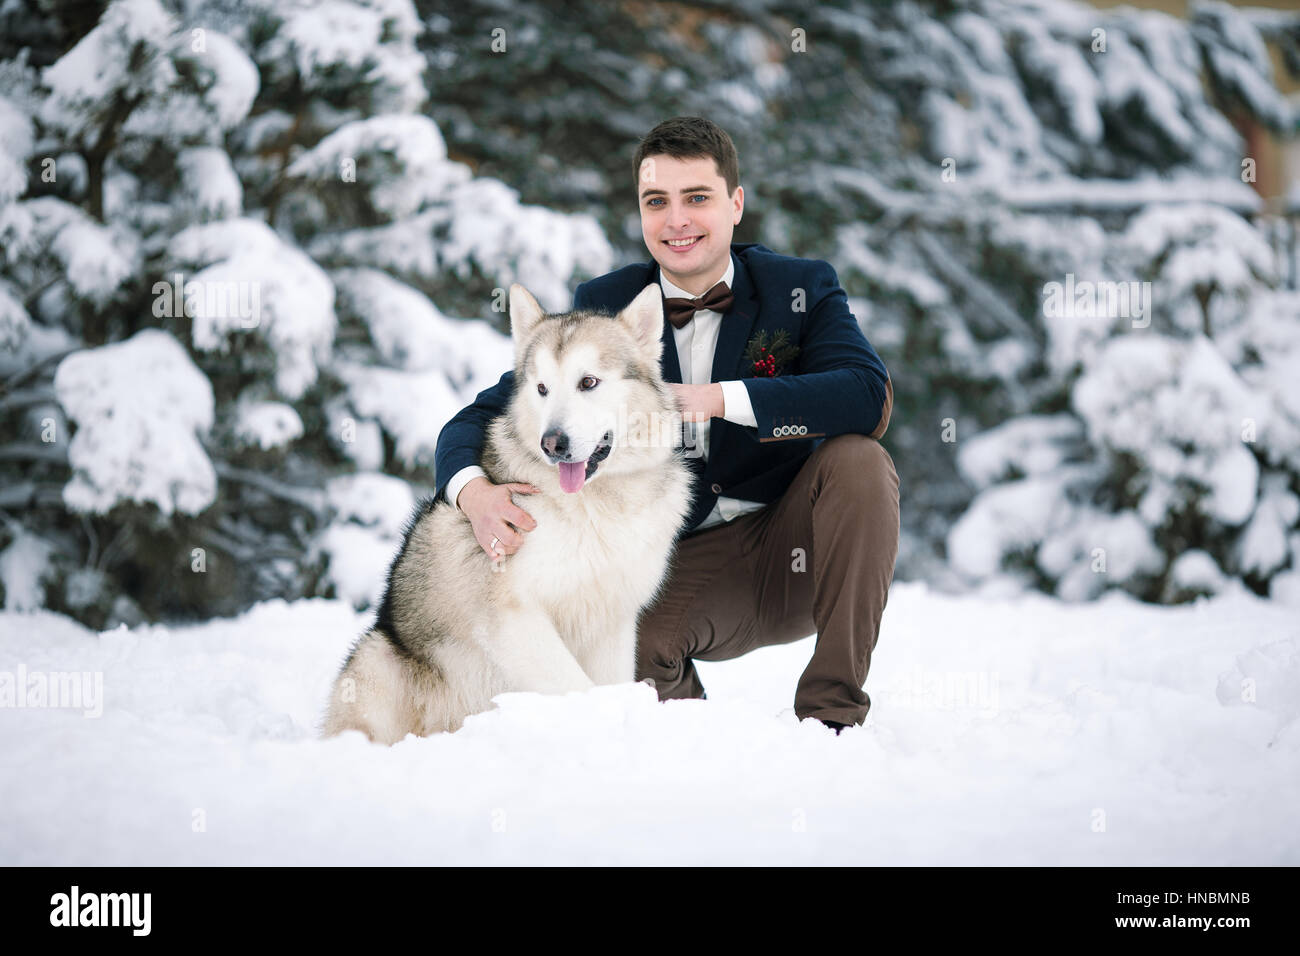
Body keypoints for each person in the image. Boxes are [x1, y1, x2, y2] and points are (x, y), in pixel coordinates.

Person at [433, 116, 898, 734]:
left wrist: (720, 398)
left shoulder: (800, 288)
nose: (677, 220)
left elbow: (868, 397)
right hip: (688, 568)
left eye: (697, 198)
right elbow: (486, 414)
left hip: (798, 548)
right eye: (658, 202)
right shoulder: (606, 306)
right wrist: (473, 491)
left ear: (736, 203)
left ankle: (832, 715)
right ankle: (679, 745)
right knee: (630, 640)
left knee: (859, 461)